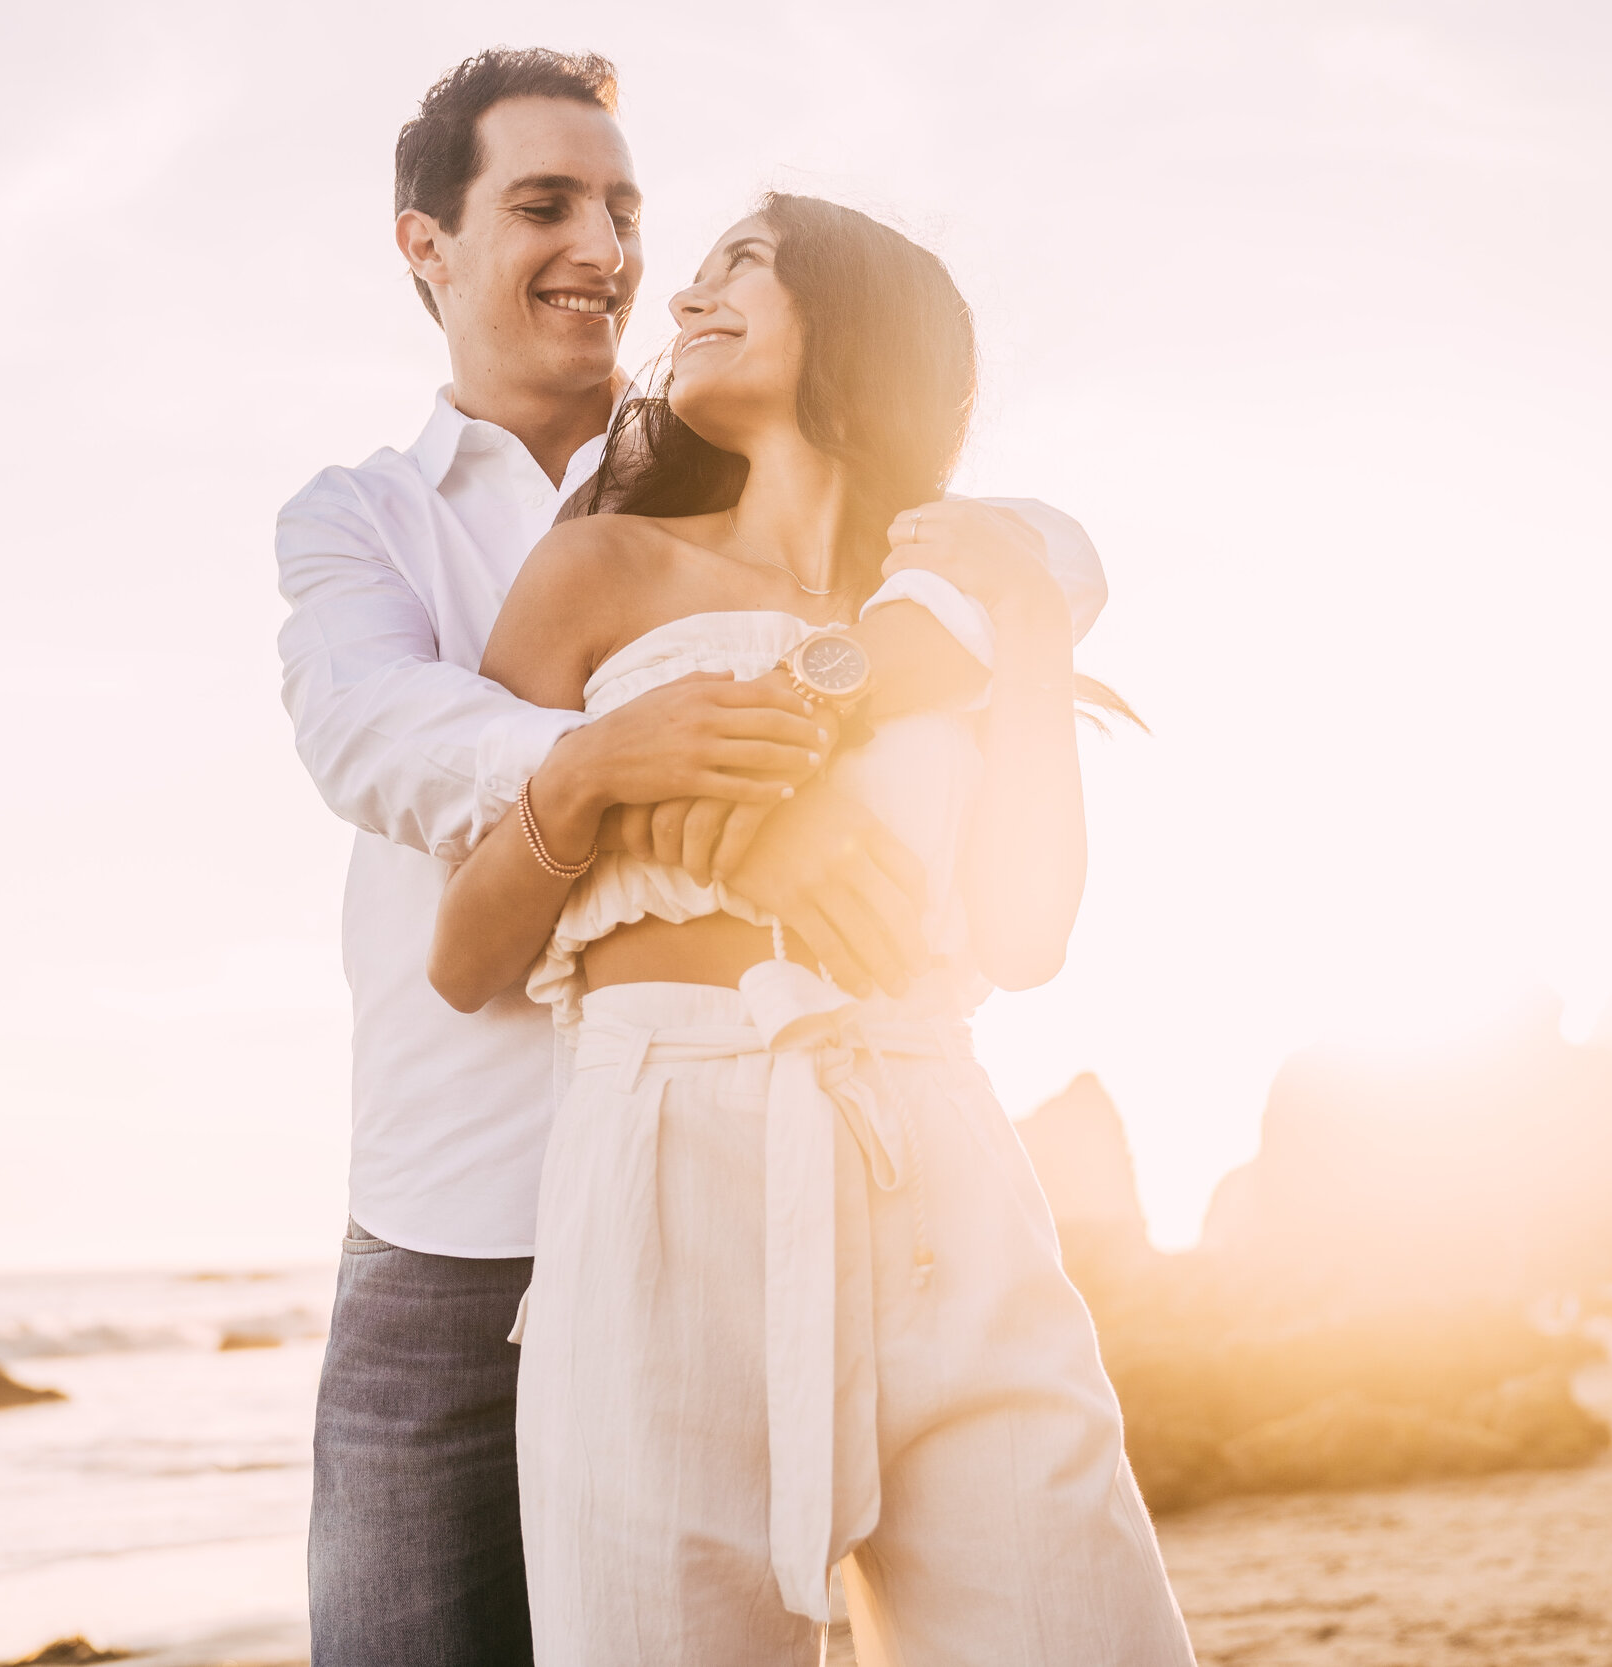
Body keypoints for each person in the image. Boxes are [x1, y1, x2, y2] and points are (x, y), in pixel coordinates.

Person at [277, 48, 1112, 1667]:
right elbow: (375, 742)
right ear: (425, 246)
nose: (605, 245)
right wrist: (638, 779)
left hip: (854, 1148)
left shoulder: (764, 502)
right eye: (543, 204)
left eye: (626, 208)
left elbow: (1044, 554)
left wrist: (832, 707)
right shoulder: (365, 520)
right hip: (461, 1210)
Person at [426, 197, 1194, 1663]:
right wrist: (611, 779)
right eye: (697, 271)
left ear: (856, 318)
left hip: (931, 1147)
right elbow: (463, 954)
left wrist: (1029, 637)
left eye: (743, 265)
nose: (690, 294)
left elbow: (1027, 934)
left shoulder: (966, 603)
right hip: (662, 1156)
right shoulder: (601, 570)